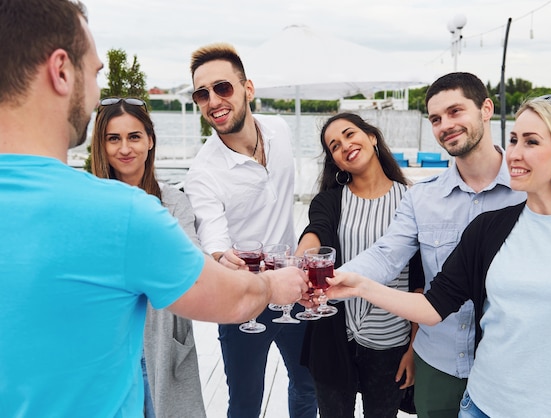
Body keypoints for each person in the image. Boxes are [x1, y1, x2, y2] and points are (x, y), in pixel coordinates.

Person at [0, 1, 308, 416]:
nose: (95, 94)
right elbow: (220, 289)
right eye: (94, 73)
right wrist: (274, 285)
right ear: (60, 71)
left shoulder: (277, 133)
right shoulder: (123, 213)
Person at [326, 95, 551, 418]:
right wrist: (358, 285)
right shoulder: (490, 228)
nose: (514, 153)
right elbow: (433, 306)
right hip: (482, 406)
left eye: (531, 142)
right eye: (513, 140)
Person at [318, 72, 527, 418]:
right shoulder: (422, 198)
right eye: (435, 119)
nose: (445, 124)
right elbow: (386, 256)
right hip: (439, 366)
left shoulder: (528, 191)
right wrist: (337, 278)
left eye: (456, 111)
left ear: (486, 109)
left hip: (509, 366)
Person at [184, 43, 317, 418]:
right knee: (245, 403)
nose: (213, 100)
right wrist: (219, 256)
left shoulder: (279, 129)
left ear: (248, 89)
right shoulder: (203, 173)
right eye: (202, 94)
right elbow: (214, 239)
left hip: (294, 286)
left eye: (222, 87)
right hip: (244, 302)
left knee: (307, 386)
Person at [295, 112, 423, 417]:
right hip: (333, 338)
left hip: (391, 341)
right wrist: (301, 262)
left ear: (372, 137)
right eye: (334, 146)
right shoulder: (329, 201)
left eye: (350, 134)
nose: (345, 146)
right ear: (336, 162)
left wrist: (414, 349)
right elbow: (317, 231)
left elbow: (420, 280)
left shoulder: (413, 200)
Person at [91, 97, 206, 418]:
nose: (124, 148)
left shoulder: (173, 200)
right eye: (113, 138)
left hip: (163, 340)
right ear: (101, 145)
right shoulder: (92, 201)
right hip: (110, 347)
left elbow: (193, 261)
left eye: (134, 136)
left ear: (150, 140)